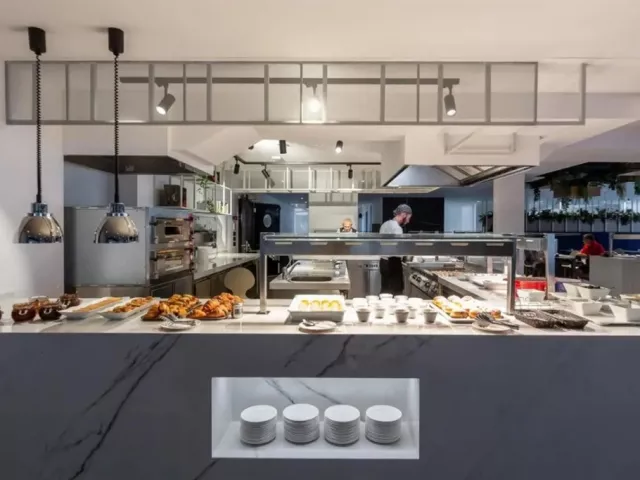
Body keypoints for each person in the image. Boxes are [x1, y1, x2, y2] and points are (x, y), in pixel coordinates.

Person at [378, 204, 412, 295]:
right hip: (393, 262)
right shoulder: (397, 228)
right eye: (408, 218)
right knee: (397, 292)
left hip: (383, 261)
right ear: (404, 214)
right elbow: (398, 248)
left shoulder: (385, 224)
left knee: (385, 291)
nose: (408, 221)